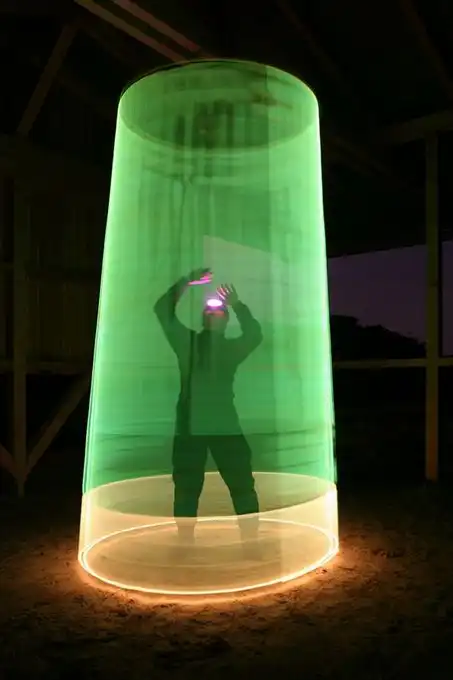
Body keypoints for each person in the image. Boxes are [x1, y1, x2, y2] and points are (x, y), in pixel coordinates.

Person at [154, 267, 263, 554]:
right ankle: (188, 544)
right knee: (191, 485)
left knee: (233, 483)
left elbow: (254, 335)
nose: (213, 313)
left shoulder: (193, 344)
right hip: (206, 426)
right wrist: (189, 283)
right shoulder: (193, 344)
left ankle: (247, 544)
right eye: (209, 311)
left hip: (208, 426)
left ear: (223, 321)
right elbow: (254, 334)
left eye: (217, 311)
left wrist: (236, 304)